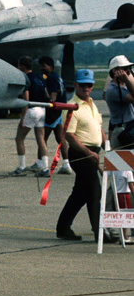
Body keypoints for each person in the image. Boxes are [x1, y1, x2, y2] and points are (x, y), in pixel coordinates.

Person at [55, 69, 105, 241]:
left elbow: (99, 128)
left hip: (93, 154)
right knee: (94, 191)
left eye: (89, 85)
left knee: (80, 194)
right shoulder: (72, 107)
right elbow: (69, 135)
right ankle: (99, 232)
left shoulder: (92, 103)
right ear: (75, 85)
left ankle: (62, 227)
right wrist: (88, 153)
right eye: (82, 85)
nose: (86, 88)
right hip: (81, 154)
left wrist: (107, 146)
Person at [11, 57, 50, 175]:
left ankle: (22, 167)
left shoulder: (25, 78)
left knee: (19, 138)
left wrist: (23, 117)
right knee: (41, 139)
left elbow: (26, 100)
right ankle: (45, 168)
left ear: (23, 66)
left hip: (31, 109)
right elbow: (46, 94)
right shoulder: (39, 77)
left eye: (19, 65)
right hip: (42, 108)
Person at [106, 55, 134, 150]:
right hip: (121, 131)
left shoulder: (124, 87)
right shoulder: (113, 90)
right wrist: (128, 80)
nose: (129, 71)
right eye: (125, 69)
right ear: (115, 71)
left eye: (129, 68)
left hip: (129, 128)